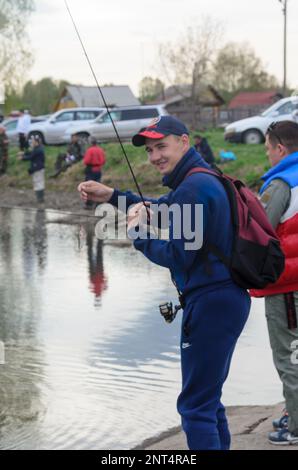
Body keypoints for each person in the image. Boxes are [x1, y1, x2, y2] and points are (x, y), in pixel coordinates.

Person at [78, 116, 251, 450]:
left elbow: (177, 255)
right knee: (208, 401)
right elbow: (162, 209)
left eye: (161, 146)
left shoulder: (193, 187)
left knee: (195, 409)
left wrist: (137, 234)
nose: (155, 155)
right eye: (150, 150)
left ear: (183, 142)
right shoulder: (201, 178)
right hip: (225, 299)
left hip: (211, 302)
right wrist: (112, 195)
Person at [250, 121, 298, 446]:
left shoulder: (280, 183)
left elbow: (258, 230)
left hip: (287, 286)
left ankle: (295, 427)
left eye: (267, 148)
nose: (267, 154)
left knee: (289, 355)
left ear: (280, 149)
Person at [19, 136, 46, 204]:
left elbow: (31, 156)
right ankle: (39, 199)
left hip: (38, 169)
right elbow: (31, 153)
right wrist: (24, 153)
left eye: (33, 142)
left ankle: (40, 199)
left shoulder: (38, 149)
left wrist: (22, 158)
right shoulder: (37, 148)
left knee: (38, 183)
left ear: (36, 142)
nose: (32, 143)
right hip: (38, 168)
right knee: (37, 183)